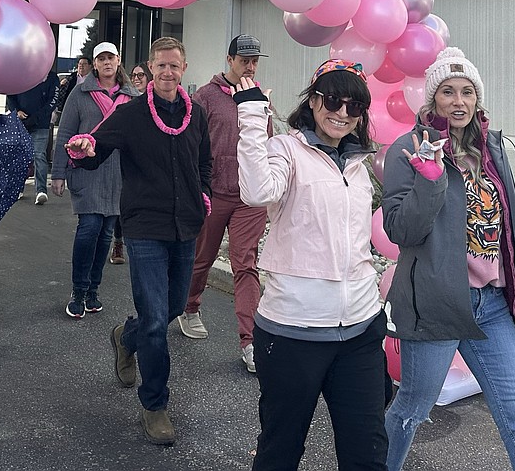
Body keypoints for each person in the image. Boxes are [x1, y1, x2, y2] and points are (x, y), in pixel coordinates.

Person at [381, 47, 515, 471]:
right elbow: (400, 230)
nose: (459, 102)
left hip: (492, 306)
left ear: (478, 99)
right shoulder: (410, 147)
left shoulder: (490, 147)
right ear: (432, 98)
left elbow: (491, 213)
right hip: (439, 302)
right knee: (412, 410)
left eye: (467, 92)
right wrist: (430, 179)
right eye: (448, 92)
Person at [234, 58, 387, 471]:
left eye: (354, 107)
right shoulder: (287, 150)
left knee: (367, 453)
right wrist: (250, 116)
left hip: (359, 331)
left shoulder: (358, 165)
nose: (341, 113)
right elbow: (256, 190)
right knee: (280, 451)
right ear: (314, 100)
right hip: (292, 333)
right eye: (333, 100)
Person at [65, 37, 211, 447]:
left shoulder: (195, 114)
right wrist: (82, 148)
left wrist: (204, 197)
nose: (168, 73)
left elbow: (204, 163)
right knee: (154, 320)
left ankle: (123, 337)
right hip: (145, 228)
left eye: (174, 66)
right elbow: (96, 146)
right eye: (161, 66)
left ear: (184, 67)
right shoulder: (130, 114)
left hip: (185, 226)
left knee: (176, 307)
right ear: (150, 67)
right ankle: (155, 405)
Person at [178, 34, 270, 375]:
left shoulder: (259, 98)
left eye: (254, 60)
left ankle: (251, 342)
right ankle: (189, 306)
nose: (250, 65)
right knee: (201, 257)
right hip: (214, 193)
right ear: (229, 59)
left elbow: (265, 144)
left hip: (249, 197)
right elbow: (190, 145)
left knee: (245, 264)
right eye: (244, 59)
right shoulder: (204, 96)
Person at [52, 43, 139, 318]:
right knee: (89, 228)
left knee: (104, 236)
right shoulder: (80, 92)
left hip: (117, 175)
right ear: (95, 64)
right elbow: (65, 131)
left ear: (118, 60)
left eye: (111, 57)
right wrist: (57, 173)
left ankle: (93, 290)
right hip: (87, 170)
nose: (107, 63)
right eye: (101, 59)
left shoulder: (132, 97)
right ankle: (78, 289)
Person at [111, 63, 155, 265]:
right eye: (134, 75)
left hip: (148, 163)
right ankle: (118, 242)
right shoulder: (125, 100)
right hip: (124, 159)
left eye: (141, 75)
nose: (136, 78)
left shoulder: (157, 101)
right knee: (122, 202)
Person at [6, 68, 60, 205]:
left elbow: (53, 100)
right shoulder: (20, 74)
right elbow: (10, 94)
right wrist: (16, 111)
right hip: (20, 122)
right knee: (19, 156)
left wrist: (37, 117)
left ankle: (41, 190)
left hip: (40, 123)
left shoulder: (51, 78)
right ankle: (17, 188)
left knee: (38, 155)